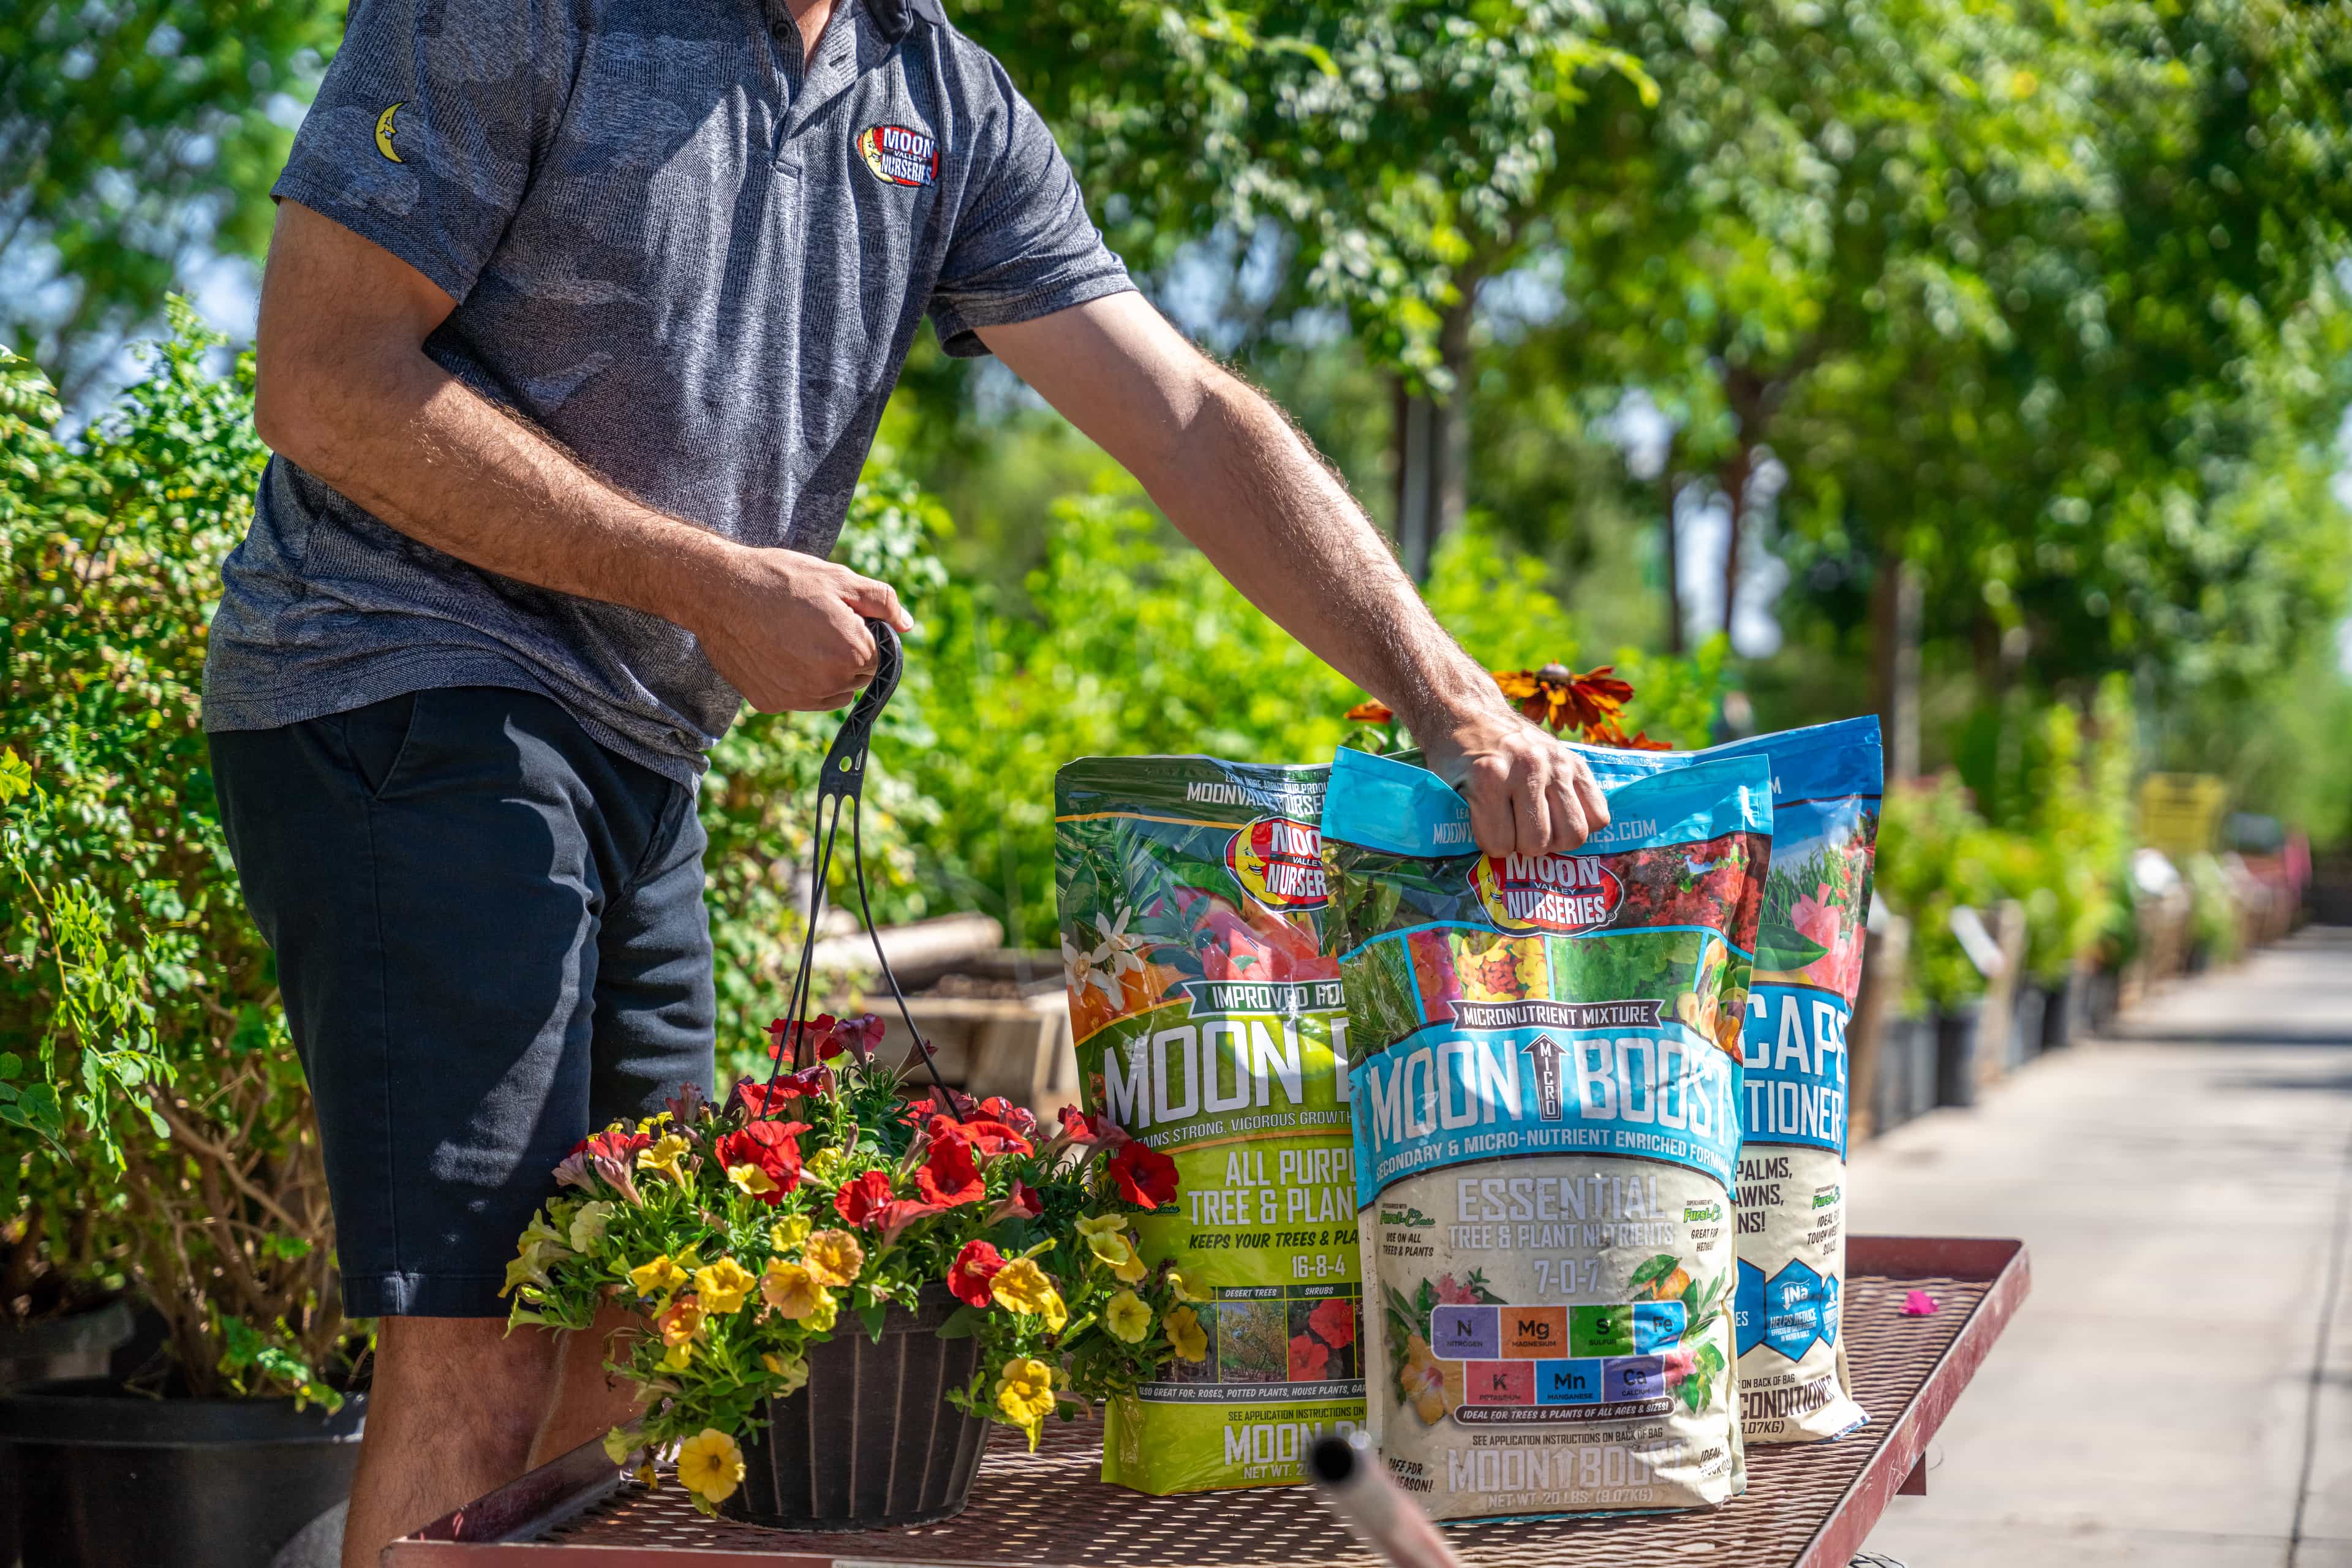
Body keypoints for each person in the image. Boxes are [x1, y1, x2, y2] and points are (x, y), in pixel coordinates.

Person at [203, 0, 1610, 1559]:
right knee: (488, 1323)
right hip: (404, 676)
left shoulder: (938, 92)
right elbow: (325, 378)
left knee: (635, 1303)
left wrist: (1453, 697)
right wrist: (708, 582)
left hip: (640, 737)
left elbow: (1190, 417)